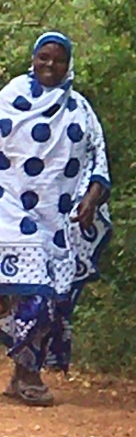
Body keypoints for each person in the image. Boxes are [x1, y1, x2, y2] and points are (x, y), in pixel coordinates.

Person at [0, 31, 111, 406]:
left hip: (58, 222)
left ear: (69, 64)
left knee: (49, 299)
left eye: (58, 59)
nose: (50, 65)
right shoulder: (10, 99)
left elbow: (98, 162)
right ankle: (28, 374)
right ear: (32, 59)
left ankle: (24, 375)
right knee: (29, 289)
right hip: (10, 213)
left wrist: (92, 200)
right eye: (43, 57)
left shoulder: (79, 109)